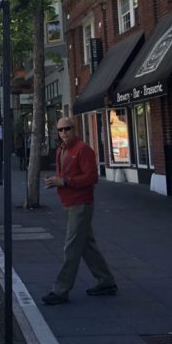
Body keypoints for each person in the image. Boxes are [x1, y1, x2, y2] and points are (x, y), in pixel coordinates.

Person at [42, 117, 117, 305]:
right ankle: (105, 281)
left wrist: (65, 182)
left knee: (72, 247)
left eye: (67, 129)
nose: (64, 133)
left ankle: (60, 290)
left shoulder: (83, 150)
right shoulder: (61, 150)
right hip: (68, 203)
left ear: (74, 129)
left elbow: (91, 178)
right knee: (86, 245)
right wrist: (56, 181)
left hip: (81, 204)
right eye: (60, 130)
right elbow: (65, 176)